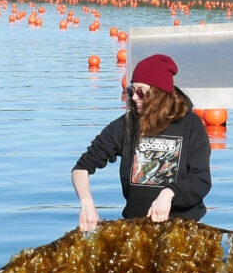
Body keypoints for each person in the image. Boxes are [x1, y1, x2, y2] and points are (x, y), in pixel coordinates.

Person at [72, 53, 212, 231]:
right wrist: (86, 203)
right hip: (136, 226)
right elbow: (81, 168)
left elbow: (201, 180)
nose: (134, 98)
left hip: (183, 227)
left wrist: (169, 193)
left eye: (141, 92)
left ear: (159, 94)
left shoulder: (191, 125)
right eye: (131, 91)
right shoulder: (126, 124)